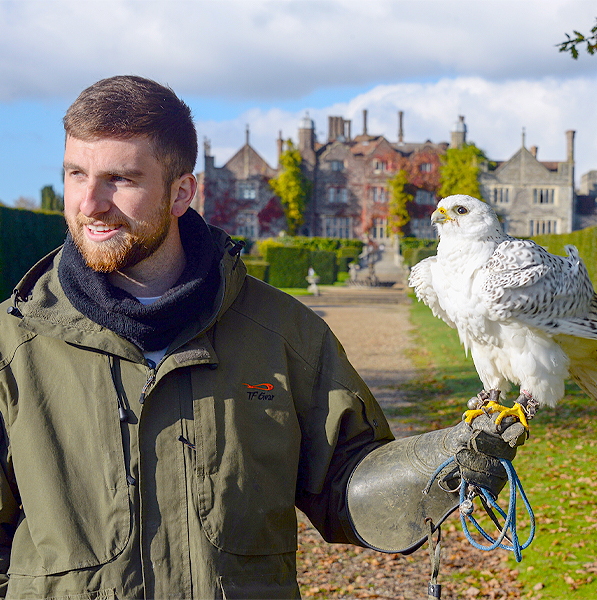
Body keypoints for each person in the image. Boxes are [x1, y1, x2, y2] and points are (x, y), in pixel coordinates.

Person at [0, 76, 523, 599]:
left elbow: (350, 486)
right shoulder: (12, 344)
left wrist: (447, 463)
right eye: (75, 173)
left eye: (119, 179)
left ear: (182, 191)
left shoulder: (286, 334)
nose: (89, 203)